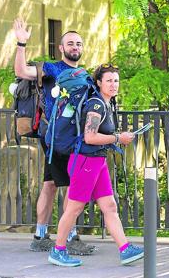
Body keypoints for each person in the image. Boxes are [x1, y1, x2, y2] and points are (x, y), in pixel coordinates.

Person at [48, 64, 144, 267]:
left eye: (116, 80)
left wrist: (116, 137)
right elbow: (89, 137)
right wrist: (118, 137)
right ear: (99, 83)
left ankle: (125, 249)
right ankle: (58, 250)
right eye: (108, 80)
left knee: (109, 206)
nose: (113, 84)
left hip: (97, 162)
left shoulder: (106, 103)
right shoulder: (97, 104)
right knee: (74, 208)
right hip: (86, 161)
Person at [13, 18, 95, 255]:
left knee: (50, 185)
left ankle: (40, 235)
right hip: (57, 138)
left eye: (78, 43)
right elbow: (20, 71)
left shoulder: (84, 74)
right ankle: (70, 237)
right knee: (71, 186)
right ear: (61, 48)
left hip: (72, 137)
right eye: (70, 43)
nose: (75, 47)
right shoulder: (50, 68)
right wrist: (21, 43)